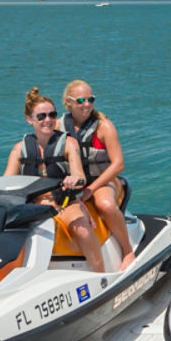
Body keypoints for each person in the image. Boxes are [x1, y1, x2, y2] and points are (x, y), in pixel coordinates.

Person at [0, 87, 104, 272]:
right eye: (41, 116)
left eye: (52, 115)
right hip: (32, 206)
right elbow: (4, 184)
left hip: (65, 202)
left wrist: (73, 179)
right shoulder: (19, 149)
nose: (48, 120)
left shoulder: (68, 143)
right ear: (29, 120)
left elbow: (79, 175)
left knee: (81, 229)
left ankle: (102, 274)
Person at [60, 80, 135, 270]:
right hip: (75, 183)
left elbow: (118, 164)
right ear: (68, 102)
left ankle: (127, 251)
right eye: (81, 100)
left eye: (90, 99)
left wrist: (91, 189)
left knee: (105, 205)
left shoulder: (104, 126)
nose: (87, 105)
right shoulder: (60, 126)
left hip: (104, 181)